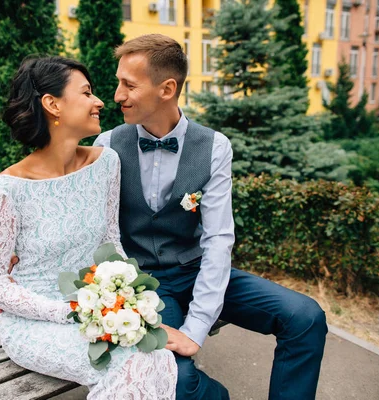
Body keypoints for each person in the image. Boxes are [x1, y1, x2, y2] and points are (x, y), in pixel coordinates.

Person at [93, 34, 328, 400]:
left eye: (128, 85)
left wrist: (197, 325)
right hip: (146, 285)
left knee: (305, 317)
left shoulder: (215, 146)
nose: (117, 95)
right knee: (179, 381)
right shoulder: (106, 145)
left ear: (167, 89)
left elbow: (219, 239)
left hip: (197, 267)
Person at [0, 56, 177, 400]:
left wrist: (127, 298)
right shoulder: (7, 189)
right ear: (53, 105)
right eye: (86, 93)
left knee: (156, 355)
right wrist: (69, 312)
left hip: (99, 312)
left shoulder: (106, 163)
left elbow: (111, 242)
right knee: (129, 365)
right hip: (35, 323)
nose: (100, 101)